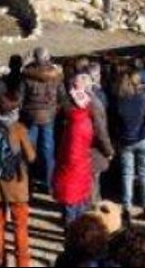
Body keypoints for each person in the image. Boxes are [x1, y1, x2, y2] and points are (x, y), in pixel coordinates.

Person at [0, 94, 36, 268]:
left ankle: (0, 262)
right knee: (20, 226)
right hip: (16, 182)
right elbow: (31, 156)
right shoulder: (18, 128)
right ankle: (22, 264)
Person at [111, 67, 145, 224]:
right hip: (143, 139)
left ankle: (127, 208)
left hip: (125, 141)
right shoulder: (143, 97)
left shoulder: (118, 101)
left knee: (127, 175)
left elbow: (114, 123)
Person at [54, 75, 98, 225]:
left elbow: (71, 155)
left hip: (72, 171)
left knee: (71, 207)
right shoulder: (85, 120)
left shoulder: (75, 125)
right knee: (80, 203)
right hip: (81, 168)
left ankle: (71, 235)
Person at [21, 48, 62, 193]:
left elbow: (21, 98)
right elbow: (62, 95)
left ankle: (28, 182)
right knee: (48, 151)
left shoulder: (27, 75)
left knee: (29, 150)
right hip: (49, 116)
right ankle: (49, 183)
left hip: (31, 116)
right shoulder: (56, 75)